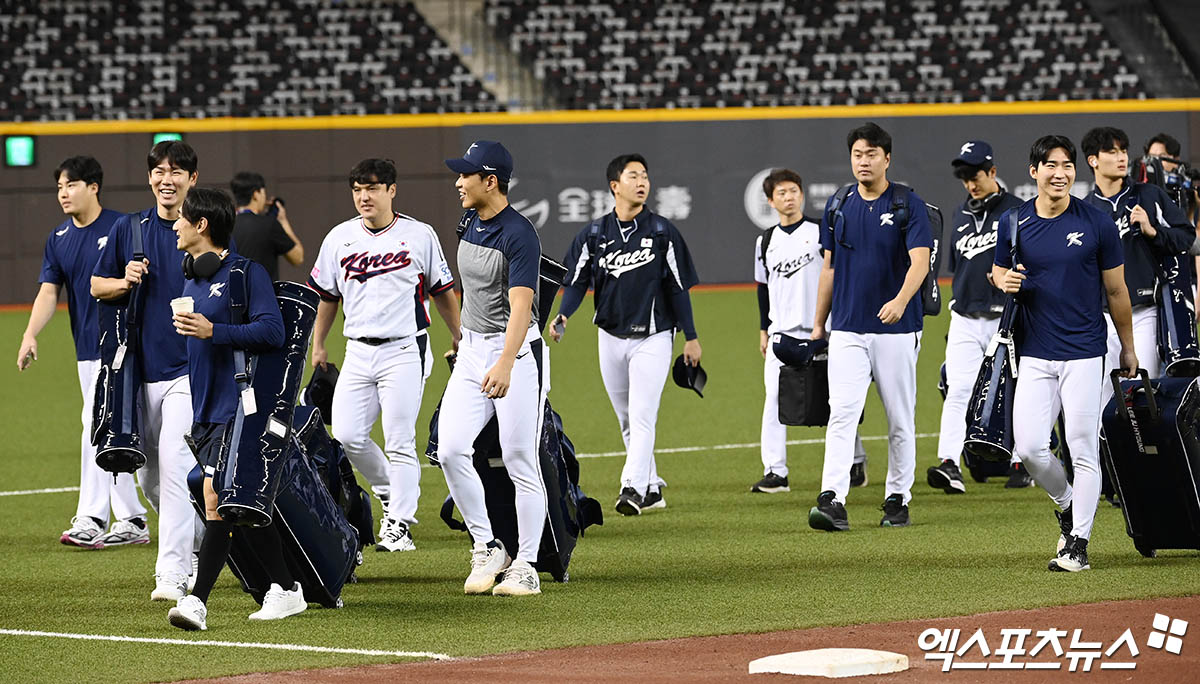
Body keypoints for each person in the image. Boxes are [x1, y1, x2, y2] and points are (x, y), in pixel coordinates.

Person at [993, 134, 1137, 572]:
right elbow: (999, 270)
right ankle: (1069, 502)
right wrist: (1003, 281)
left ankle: (1078, 542)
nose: (1061, 173)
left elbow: (1116, 289)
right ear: (1034, 172)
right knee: (1031, 448)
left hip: (1085, 351)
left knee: (1081, 447)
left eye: (1067, 165)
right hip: (1034, 352)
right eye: (1051, 165)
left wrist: (1127, 348)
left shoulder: (1097, 223)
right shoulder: (1014, 222)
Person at [164, 187, 301, 631]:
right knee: (235, 501)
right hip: (205, 407)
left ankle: (196, 602)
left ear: (202, 225)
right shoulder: (192, 280)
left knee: (215, 494)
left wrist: (213, 330)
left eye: (183, 218)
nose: (176, 224)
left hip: (240, 406)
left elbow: (272, 330)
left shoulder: (247, 273)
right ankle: (286, 588)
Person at [308, 158, 461, 552]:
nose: (364, 196)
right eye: (358, 188)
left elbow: (443, 290)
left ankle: (400, 524)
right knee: (346, 434)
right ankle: (390, 492)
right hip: (358, 351)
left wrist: (460, 334)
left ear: (391, 191)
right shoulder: (339, 238)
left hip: (404, 349)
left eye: (373, 188)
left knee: (399, 439)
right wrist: (319, 342)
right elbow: (327, 295)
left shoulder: (418, 235)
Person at [552, 153, 702, 516]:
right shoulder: (593, 234)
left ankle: (632, 487)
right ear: (614, 186)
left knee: (642, 414)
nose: (642, 182)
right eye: (633, 176)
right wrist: (564, 315)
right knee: (625, 417)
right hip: (610, 336)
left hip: (654, 336)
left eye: (645, 177)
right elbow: (576, 282)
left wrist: (691, 336)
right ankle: (652, 488)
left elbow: (679, 288)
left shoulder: (663, 232)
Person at [18, 156, 148, 548]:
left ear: (94, 186)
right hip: (87, 350)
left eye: (71, 184)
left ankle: (96, 516)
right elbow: (48, 291)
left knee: (99, 423)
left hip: (126, 344)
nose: (63, 193)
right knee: (109, 425)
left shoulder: (123, 227)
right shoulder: (58, 238)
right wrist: (30, 334)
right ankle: (129, 518)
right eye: (59, 186)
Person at [809, 122, 933, 531]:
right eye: (858, 154)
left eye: (871, 154)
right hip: (847, 327)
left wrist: (900, 301)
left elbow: (921, 261)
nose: (864, 161)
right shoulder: (838, 203)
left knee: (899, 416)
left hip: (897, 329)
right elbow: (829, 268)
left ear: (887, 159)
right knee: (841, 412)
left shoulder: (907, 203)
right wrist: (818, 325)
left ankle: (897, 498)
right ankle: (832, 498)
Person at [91, 140, 201, 600]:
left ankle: (171, 573)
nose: (167, 178)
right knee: (151, 480)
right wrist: (124, 281)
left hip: (188, 372)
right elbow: (97, 285)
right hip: (138, 374)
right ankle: (199, 546)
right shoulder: (127, 228)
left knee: (176, 466)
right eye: (159, 170)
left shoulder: (204, 226)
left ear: (192, 179)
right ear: (149, 177)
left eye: (176, 171)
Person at [437, 140, 547, 596]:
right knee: (450, 449)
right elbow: (473, 291)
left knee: (520, 459)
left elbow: (522, 304)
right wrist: (464, 341)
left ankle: (527, 564)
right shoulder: (468, 221)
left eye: (466, 174)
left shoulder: (520, 233)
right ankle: (488, 544)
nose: (458, 181)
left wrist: (504, 359)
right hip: (473, 351)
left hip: (516, 352)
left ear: (491, 181)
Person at [750, 168, 868, 494]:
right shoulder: (766, 241)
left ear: (802, 194)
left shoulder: (821, 232)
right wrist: (763, 330)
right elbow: (763, 288)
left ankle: (855, 459)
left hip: (825, 331)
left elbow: (841, 275)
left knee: (837, 399)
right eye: (782, 193)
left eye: (793, 191)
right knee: (775, 398)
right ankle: (775, 471)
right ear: (770, 201)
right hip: (781, 332)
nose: (789, 197)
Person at [926, 140, 1030, 493]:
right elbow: (958, 268)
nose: (971, 183)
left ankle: (1020, 461)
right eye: (965, 176)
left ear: (993, 172)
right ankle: (950, 464)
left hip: (1009, 316)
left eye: (976, 175)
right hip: (966, 317)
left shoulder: (1018, 210)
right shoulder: (959, 215)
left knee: (1016, 390)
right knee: (959, 389)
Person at [1082, 127, 1195, 412]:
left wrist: (1152, 231)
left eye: (1123, 150)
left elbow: (1186, 237)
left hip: (1144, 311)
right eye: (1111, 151)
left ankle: (1150, 457)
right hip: (1100, 318)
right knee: (1101, 402)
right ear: (1093, 160)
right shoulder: (1084, 210)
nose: (1121, 157)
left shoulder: (1149, 195)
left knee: (1140, 398)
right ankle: (1103, 457)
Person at [229, 171, 304, 281]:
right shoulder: (269, 224)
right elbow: (298, 258)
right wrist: (283, 222)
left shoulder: (226, 224)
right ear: (256, 194)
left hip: (231, 295)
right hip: (264, 295)